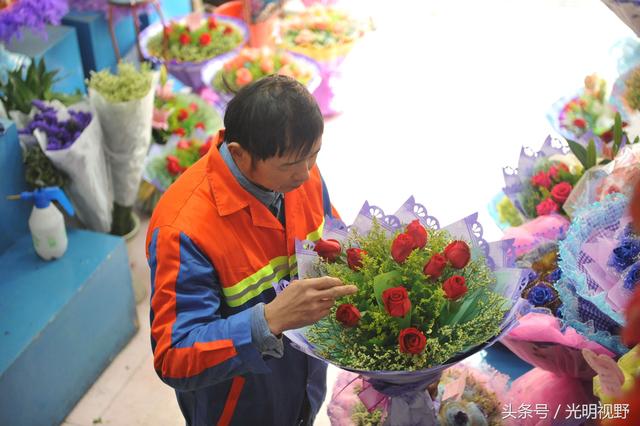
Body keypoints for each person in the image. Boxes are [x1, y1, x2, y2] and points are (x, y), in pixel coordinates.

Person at [145, 75, 357, 426]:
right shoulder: (183, 229)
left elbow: (330, 234)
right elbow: (174, 356)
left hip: (302, 384)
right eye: (291, 165)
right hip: (238, 408)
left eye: (314, 155)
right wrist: (270, 320)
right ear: (240, 154)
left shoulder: (300, 171)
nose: (306, 174)